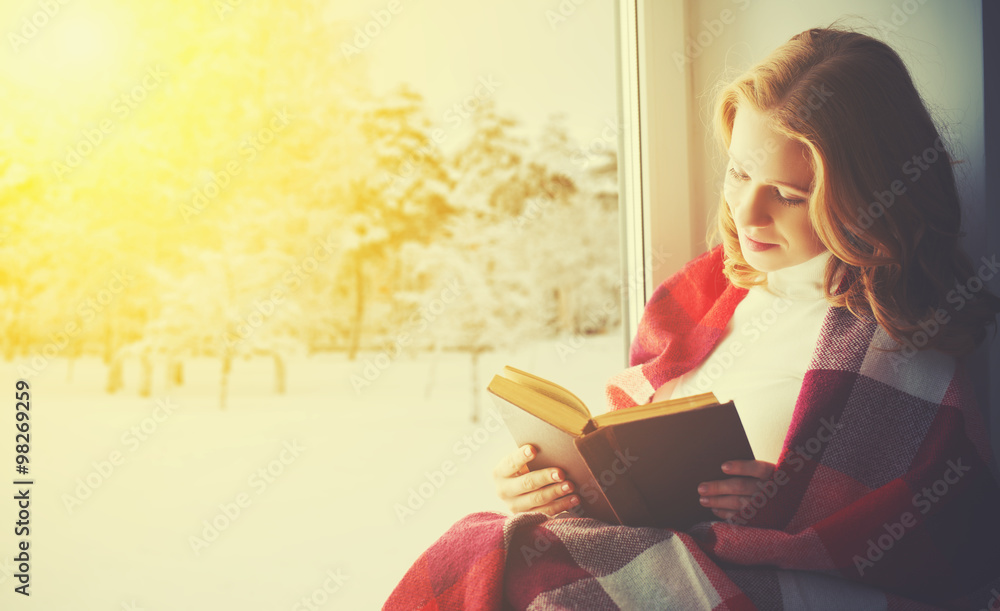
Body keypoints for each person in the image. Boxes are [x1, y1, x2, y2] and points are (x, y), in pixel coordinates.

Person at [387, 26, 1000, 611]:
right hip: (660, 556)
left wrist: (783, 511)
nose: (748, 213)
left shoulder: (892, 350)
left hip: (757, 581)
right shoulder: (710, 294)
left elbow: (942, 548)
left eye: (789, 196)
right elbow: (629, 457)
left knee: (500, 557)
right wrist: (553, 487)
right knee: (492, 543)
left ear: (868, 196)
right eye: (738, 173)